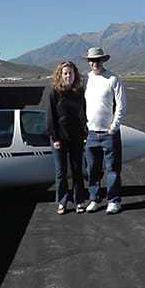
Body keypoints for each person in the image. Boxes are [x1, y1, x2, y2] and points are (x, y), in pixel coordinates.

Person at [84, 46, 127, 214]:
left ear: (103, 60)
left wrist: (114, 127)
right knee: (92, 169)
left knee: (113, 169)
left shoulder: (113, 79)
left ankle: (114, 200)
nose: (95, 63)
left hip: (108, 133)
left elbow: (121, 105)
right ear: (88, 62)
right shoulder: (86, 80)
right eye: (92, 60)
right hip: (91, 133)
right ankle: (94, 199)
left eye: (98, 60)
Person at [46, 61, 87, 214]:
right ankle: (62, 202)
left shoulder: (79, 92)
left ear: (75, 74)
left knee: (77, 170)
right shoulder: (55, 92)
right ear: (60, 75)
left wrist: (85, 133)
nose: (68, 76)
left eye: (70, 73)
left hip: (76, 137)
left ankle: (79, 201)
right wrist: (55, 138)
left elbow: (83, 114)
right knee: (61, 172)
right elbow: (51, 117)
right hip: (59, 139)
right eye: (65, 73)